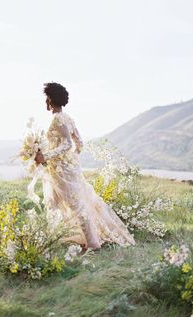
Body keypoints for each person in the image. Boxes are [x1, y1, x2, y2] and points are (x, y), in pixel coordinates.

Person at [35, 82, 135, 250]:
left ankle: (93, 243)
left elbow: (67, 144)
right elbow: (79, 144)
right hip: (65, 168)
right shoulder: (68, 118)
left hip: (62, 171)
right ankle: (52, 238)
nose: (46, 101)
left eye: (47, 98)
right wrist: (70, 160)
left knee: (74, 204)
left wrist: (46, 156)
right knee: (55, 202)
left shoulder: (58, 119)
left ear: (51, 99)